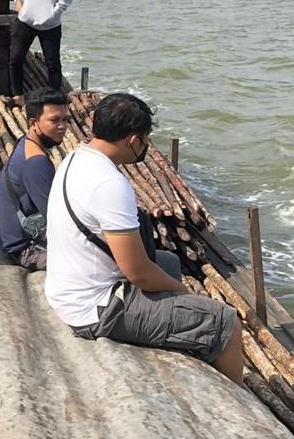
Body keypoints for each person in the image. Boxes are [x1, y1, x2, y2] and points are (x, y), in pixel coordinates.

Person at [44, 93, 243, 385]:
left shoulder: (77, 156)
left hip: (69, 287)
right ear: (134, 140)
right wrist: (183, 294)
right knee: (225, 322)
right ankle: (238, 399)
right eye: (147, 138)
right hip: (95, 308)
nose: (147, 146)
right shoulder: (109, 184)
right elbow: (137, 273)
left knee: (168, 261)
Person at [0, 89, 68, 271]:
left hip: (14, 237)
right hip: (27, 249)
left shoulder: (25, 143)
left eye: (65, 120)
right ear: (33, 123)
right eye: (54, 120)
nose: (63, 126)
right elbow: (57, 218)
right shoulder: (36, 163)